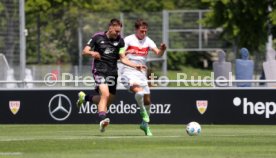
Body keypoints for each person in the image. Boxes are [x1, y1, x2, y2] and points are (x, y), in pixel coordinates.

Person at [77, 18, 144, 133]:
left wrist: (135, 65)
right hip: (99, 70)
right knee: (105, 94)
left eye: (119, 32)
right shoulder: (97, 37)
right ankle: (103, 120)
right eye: (116, 31)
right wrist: (92, 53)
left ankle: (85, 97)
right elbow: (85, 51)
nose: (118, 34)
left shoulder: (120, 41)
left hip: (112, 72)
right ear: (110, 28)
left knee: (108, 99)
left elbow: (122, 58)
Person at [120, 19, 166, 136]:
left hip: (141, 74)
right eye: (141, 31)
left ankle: (144, 125)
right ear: (136, 30)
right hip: (128, 72)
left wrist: (163, 49)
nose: (144, 33)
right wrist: (133, 64)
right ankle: (142, 112)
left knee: (148, 100)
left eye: (145, 31)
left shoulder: (148, 41)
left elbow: (158, 53)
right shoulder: (128, 40)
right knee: (139, 93)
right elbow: (121, 57)